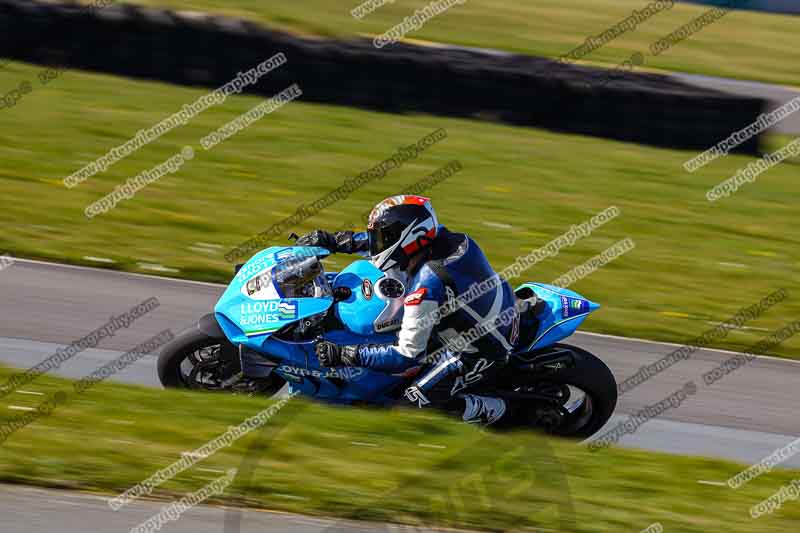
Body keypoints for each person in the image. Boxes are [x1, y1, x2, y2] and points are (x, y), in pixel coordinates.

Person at [296, 195, 520, 426]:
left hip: (479, 349)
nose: (376, 243)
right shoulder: (443, 237)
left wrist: (345, 354)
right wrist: (336, 241)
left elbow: (406, 355)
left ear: (412, 237)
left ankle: (501, 411)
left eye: (382, 237)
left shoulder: (427, 285)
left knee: (407, 409)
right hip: (494, 308)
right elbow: (393, 246)